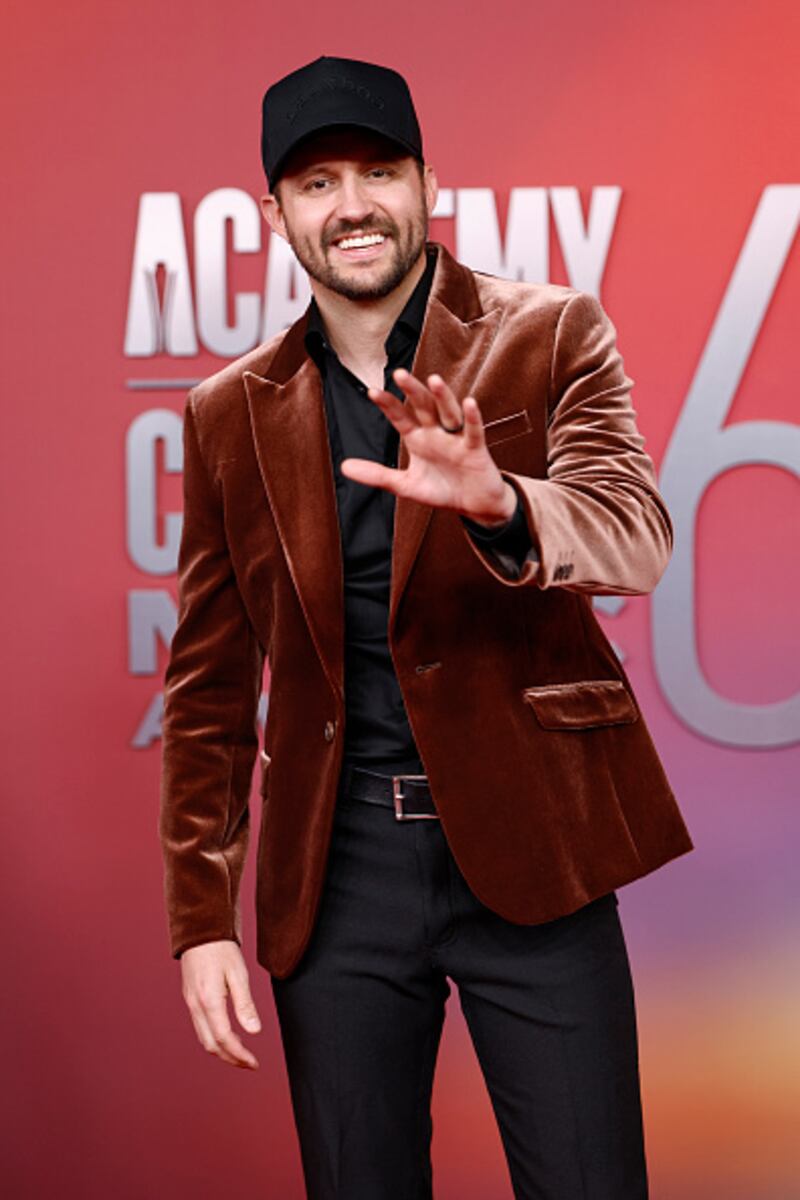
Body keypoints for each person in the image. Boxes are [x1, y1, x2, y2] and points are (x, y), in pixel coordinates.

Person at [159, 55, 694, 1200]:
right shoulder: (225, 413)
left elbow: (635, 537)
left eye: (377, 172)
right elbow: (207, 689)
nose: (350, 204)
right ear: (275, 215)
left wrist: (502, 505)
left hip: (534, 846)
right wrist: (200, 919)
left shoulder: (548, 332)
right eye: (316, 183)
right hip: (337, 873)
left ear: (426, 185)